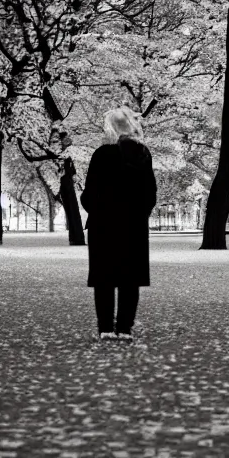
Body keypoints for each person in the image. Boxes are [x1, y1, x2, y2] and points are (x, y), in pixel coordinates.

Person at [81, 107, 158, 342]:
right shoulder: (142, 153)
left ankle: (105, 327)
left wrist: (97, 210)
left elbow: (89, 194)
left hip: (103, 226)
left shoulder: (101, 154)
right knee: (129, 279)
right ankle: (124, 328)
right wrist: (138, 216)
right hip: (132, 226)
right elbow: (150, 193)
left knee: (104, 279)